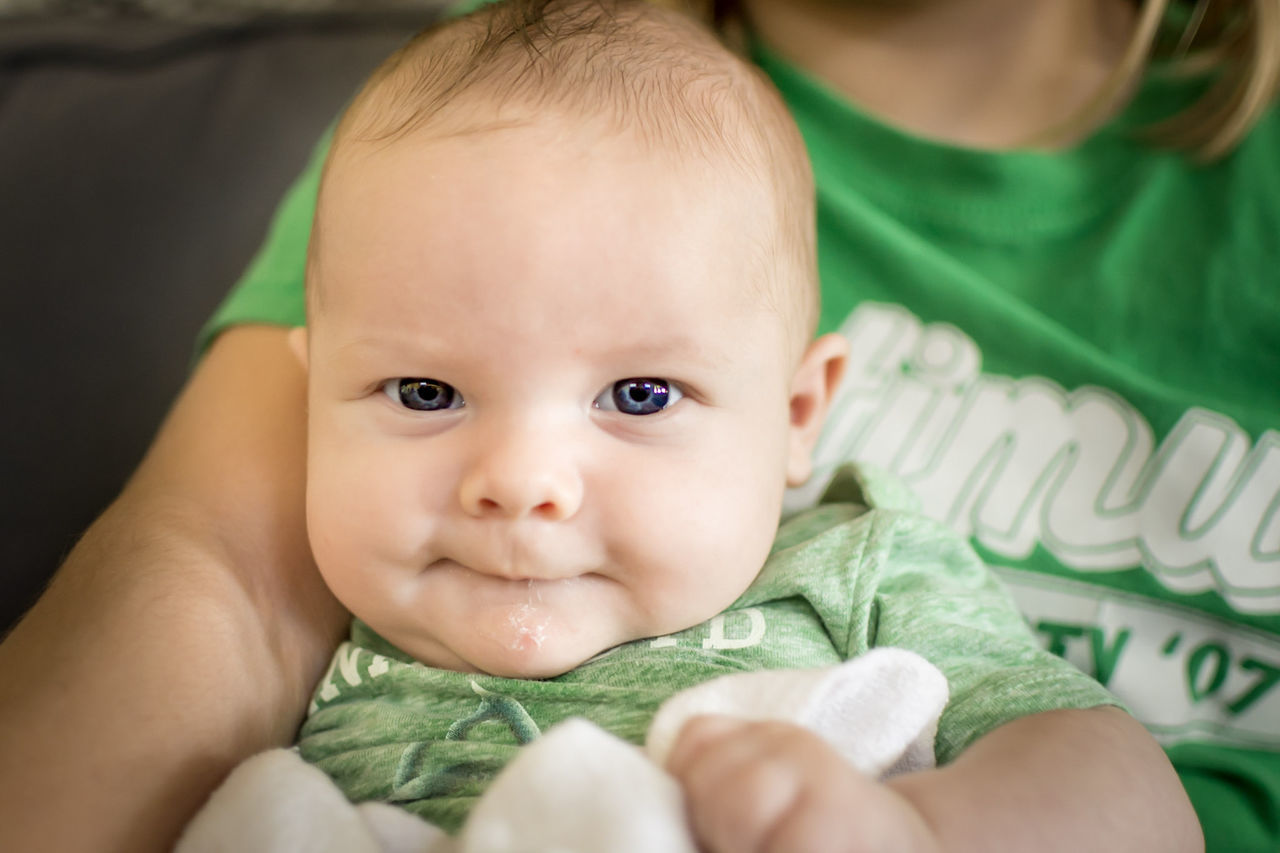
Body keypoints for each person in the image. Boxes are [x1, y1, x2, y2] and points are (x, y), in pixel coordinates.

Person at [0, 0, 1272, 849]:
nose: (519, 482)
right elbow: (213, 580)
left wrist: (915, 834)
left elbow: (1112, 776)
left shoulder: (855, 566)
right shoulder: (478, 105)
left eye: (640, 397)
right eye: (427, 396)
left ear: (797, 417)